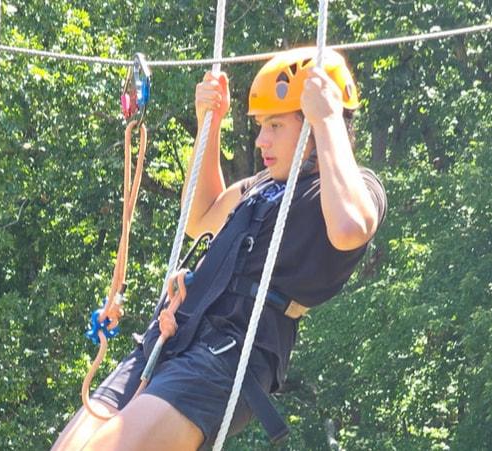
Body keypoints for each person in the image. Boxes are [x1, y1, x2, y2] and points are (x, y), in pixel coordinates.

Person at [52, 47, 387, 451]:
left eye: (276, 125)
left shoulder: (353, 189)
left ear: (316, 122)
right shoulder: (263, 185)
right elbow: (200, 217)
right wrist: (208, 123)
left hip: (228, 352)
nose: (261, 140)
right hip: (175, 336)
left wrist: (329, 118)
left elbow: (351, 228)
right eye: (261, 126)